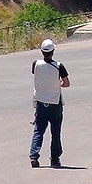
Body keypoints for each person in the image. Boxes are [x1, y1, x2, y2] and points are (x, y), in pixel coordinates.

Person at [30, 38, 70, 168]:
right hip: (55, 102)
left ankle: (34, 155)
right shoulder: (59, 66)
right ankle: (55, 158)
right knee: (56, 132)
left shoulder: (35, 64)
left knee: (38, 130)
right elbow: (66, 83)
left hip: (41, 102)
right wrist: (58, 84)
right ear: (53, 51)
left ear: (42, 51)